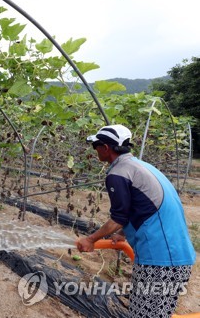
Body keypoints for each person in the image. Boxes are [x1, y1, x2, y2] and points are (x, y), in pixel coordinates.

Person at [76, 124, 196, 318]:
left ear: (106, 148)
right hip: (174, 255)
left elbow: (118, 217)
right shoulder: (140, 166)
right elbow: (145, 207)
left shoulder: (118, 173)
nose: (95, 150)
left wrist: (90, 240)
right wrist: (123, 233)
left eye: (95, 145)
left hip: (161, 259)